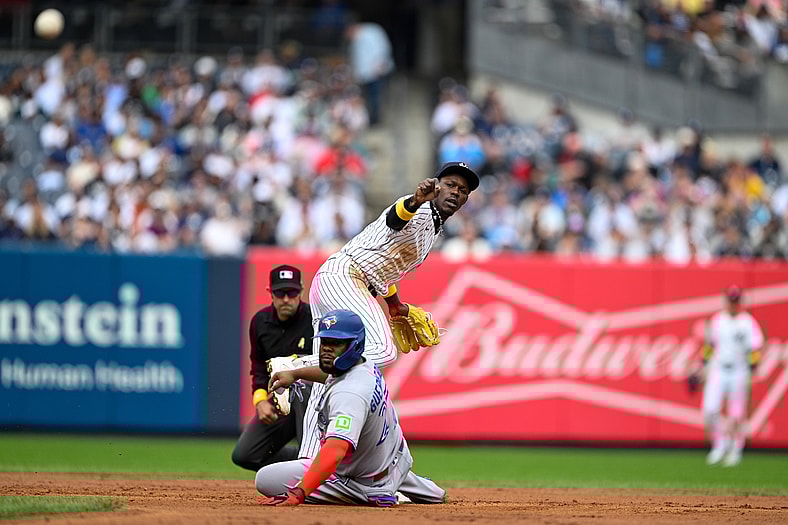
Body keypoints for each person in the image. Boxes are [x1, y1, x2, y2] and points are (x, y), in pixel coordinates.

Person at [294, 161, 479, 468]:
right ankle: (294, 366)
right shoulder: (420, 210)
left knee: (326, 377)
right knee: (382, 349)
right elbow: (396, 218)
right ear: (437, 186)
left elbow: (387, 265)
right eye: (450, 185)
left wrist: (394, 304)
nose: (455, 192)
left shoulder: (434, 228)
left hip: (340, 281)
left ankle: (308, 461)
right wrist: (416, 199)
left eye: (462, 190)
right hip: (346, 277)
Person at [255, 309, 445, 506]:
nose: (327, 348)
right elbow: (330, 373)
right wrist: (295, 374)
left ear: (355, 345)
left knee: (266, 479)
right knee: (430, 491)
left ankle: (371, 494)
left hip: (362, 479)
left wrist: (299, 494)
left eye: (336, 343)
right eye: (325, 341)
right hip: (394, 459)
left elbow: (335, 450)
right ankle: (420, 487)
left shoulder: (350, 395)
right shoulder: (364, 365)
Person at [231, 265, 314, 472]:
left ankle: (310, 461)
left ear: (301, 292)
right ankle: (304, 462)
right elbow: (258, 367)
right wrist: (260, 401)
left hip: (313, 402)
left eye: (291, 293)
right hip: (281, 400)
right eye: (280, 293)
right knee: (244, 455)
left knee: (302, 385)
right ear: (270, 293)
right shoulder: (260, 322)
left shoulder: (314, 319)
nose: (286, 299)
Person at [700, 285, 764, 467]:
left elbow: (755, 347)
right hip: (719, 368)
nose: (733, 304)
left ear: (739, 301)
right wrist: (701, 366)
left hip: (739, 370)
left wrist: (753, 367)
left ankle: (736, 448)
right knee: (710, 409)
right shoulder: (718, 320)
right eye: (730, 300)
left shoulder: (747, 322)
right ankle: (720, 444)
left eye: (735, 300)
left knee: (736, 413)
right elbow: (710, 345)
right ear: (726, 300)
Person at [345, 22, 395, 126]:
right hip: (364, 75)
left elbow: (382, 49)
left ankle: (375, 119)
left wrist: (379, 67)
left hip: (376, 72)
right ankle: (368, 119)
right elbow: (357, 58)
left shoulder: (372, 32)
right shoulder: (355, 41)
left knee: (375, 96)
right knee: (367, 97)